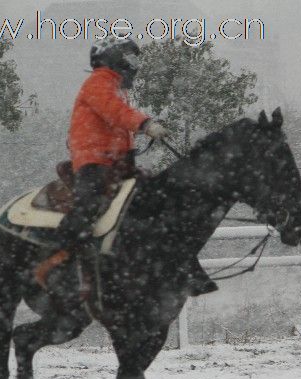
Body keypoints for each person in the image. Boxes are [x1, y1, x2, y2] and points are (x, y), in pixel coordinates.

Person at [35, 37, 217, 297]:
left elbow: (118, 117)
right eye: (130, 58)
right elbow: (115, 111)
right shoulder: (98, 82)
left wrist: (139, 133)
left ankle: (178, 266)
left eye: (134, 59)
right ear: (114, 59)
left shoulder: (118, 87)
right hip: (94, 161)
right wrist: (145, 124)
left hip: (118, 161)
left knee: (155, 200)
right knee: (91, 205)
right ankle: (58, 263)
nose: (134, 64)